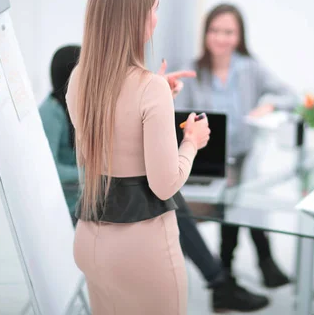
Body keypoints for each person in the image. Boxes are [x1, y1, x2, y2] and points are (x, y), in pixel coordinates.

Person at [40, 45, 269, 312]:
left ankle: (218, 280)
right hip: (83, 196)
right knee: (169, 195)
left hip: (104, 197)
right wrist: (190, 143)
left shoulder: (84, 90)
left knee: (171, 202)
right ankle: (218, 281)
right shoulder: (52, 112)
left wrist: (156, 99)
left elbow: (118, 137)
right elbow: (51, 167)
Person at [67, 0, 211, 315]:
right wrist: (192, 141)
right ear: (137, 17)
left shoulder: (79, 78)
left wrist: (160, 95)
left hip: (90, 241)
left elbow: (115, 129)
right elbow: (165, 185)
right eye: (155, 8)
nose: (156, 18)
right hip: (142, 250)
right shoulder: (151, 88)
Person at [174, 3, 296, 287]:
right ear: (206, 34)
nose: (221, 38)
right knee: (237, 201)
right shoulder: (194, 72)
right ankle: (259, 262)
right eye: (215, 30)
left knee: (244, 196)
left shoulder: (251, 68)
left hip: (244, 157)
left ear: (239, 36)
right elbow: (179, 119)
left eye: (228, 31)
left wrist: (268, 104)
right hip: (206, 161)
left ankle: (228, 270)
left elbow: (290, 96)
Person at [39, 45, 81, 224]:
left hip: (82, 197)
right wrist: (90, 174)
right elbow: (48, 169)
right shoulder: (50, 113)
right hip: (66, 207)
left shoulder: (75, 105)